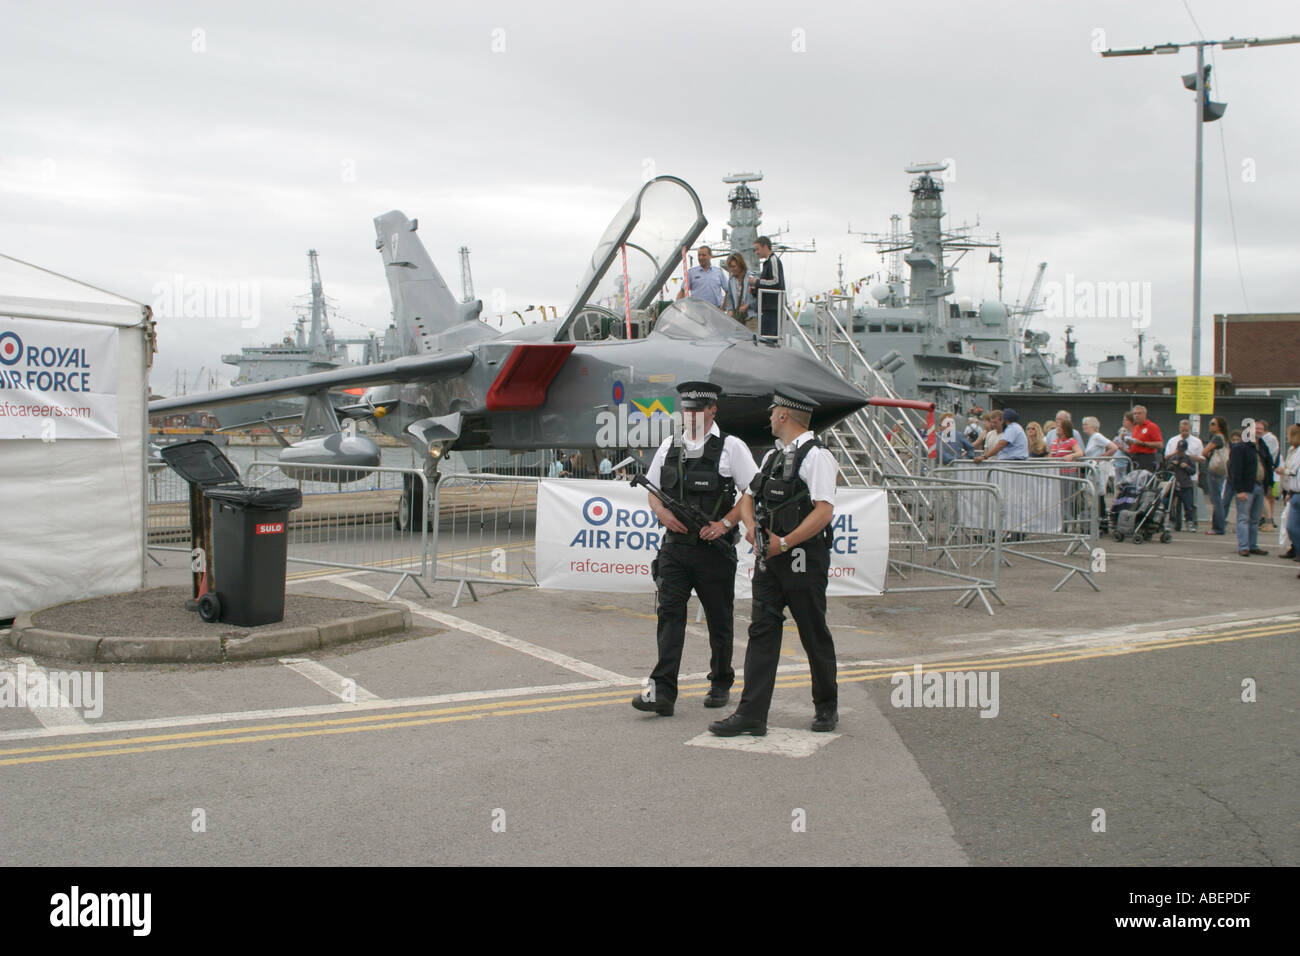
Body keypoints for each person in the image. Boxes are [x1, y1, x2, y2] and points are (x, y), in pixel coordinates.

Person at [709, 387, 838, 737]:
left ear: (784, 415)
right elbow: (748, 498)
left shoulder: (817, 456)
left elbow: (823, 511)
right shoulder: (771, 458)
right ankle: (752, 714)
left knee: (813, 633)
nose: (768, 417)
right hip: (770, 559)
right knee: (761, 634)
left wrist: (785, 543)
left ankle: (826, 706)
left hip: (801, 559)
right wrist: (751, 529)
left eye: (772, 412)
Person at [632, 381, 758, 717]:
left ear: (712, 410)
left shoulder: (732, 447)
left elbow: (751, 491)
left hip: (714, 551)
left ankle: (720, 681)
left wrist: (726, 524)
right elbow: (653, 488)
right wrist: (661, 512)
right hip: (674, 549)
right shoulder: (669, 445)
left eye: (698, 410)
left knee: (719, 620)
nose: (691, 415)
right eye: (687, 409)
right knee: (669, 617)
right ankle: (662, 692)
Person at [1227, 428, 1267, 557]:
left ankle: (1253, 545)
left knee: (1255, 519)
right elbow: (1235, 470)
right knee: (1244, 518)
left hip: (1259, 486)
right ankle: (1244, 546)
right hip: (1246, 488)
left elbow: (1268, 464)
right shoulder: (1240, 448)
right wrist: (1239, 490)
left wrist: (1268, 485)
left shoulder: (1260, 448)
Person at [1163, 420, 1203, 531]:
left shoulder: (1196, 443)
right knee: (1173, 504)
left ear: (1190, 429)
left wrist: (1186, 464)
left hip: (1188, 482)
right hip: (1175, 481)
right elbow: (1166, 460)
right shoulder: (1172, 441)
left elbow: (1199, 461)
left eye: (1186, 429)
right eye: (1182, 429)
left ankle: (1191, 523)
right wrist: (1174, 459)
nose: (1184, 431)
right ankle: (1174, 523)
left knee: (1189, 504)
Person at [1081, 416, 1118, 533]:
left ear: (1092, 426)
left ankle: (1102, 523)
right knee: (1095, 496)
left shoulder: (1097, 436)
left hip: (1097, 470)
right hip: (1092, 470)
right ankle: (1101, 522)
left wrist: (1100, 458)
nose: (1084, 427)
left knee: (1098, 495)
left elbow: (1113, 447)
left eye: (1086, 424)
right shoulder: (1092, 438)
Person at [1275, 424, 1300, 563]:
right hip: (1294, 491)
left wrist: (1283, 471)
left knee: (1292, 525)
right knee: (1290, 525)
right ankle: (1295, 548)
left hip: (1297, 491)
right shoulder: (1292, 450)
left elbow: (1293, 470)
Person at [1202, 416, 1230, 536]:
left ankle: (1218, 526)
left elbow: (1204, 451)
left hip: (1214, 471)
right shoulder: (1224, 438)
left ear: (1219, 426)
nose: (1210, 426)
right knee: (1217, 498)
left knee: (1216, 499)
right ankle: (1219, 524)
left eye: (1213, 424)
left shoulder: (1217, 437)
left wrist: (1208, 454)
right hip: (1221, 471)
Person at [752, 236, 785, 338]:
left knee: (769, 338)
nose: (756, 252)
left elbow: (776, 282)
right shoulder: (767, 262)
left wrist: (756, 282)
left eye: (757, 249)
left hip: (772, 308)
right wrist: (755, 290)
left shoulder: (773, 260)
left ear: (765, 246)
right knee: (765, 337)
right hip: (766, 308)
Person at [1166, 439, 1197, 531]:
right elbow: (1167, 469)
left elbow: (1193, 471)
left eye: (1182, 450)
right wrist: (1171, 465)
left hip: (1186, 485)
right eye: (1179, 449)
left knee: (1188, 505)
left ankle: (1189, 522)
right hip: (1175, 485)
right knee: (1174, 506)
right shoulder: (1173, 458)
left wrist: (1186, 467)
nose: (1180, 452)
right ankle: (1173, 522)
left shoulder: (1189, 459)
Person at [723, 252, 757, 330]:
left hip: (750, 316)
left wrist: (747, 305)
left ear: (740, 265)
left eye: (734, 266)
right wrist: (730, 309)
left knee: (751, 339)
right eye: (730, 267)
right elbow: (730, 297)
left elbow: (756, 296)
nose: (732, 269)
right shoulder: (731, 280)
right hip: (737, 316)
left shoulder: (751, 277)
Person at [1255, 419, 1279, 531]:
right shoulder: (1260, 440)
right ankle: (1264, 518)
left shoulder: (1270, 439)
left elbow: (1270, 458)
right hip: (1266, 472)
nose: (1258, 430)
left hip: (1271, 472)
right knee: (1265, 496)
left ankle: (1268, 519)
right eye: (1256, 428)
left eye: (1260, 428)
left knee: (1269, 497)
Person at [1126, 405, 1163, 472]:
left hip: (1146, 458)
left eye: (1139, 413)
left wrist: (1142, 443)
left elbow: (1159, 444)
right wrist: (1129, 443)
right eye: (1135, 413)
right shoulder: (1135, 427)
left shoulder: (1152, 426)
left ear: (1145, 414)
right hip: (1134, 457)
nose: (1137, 415)